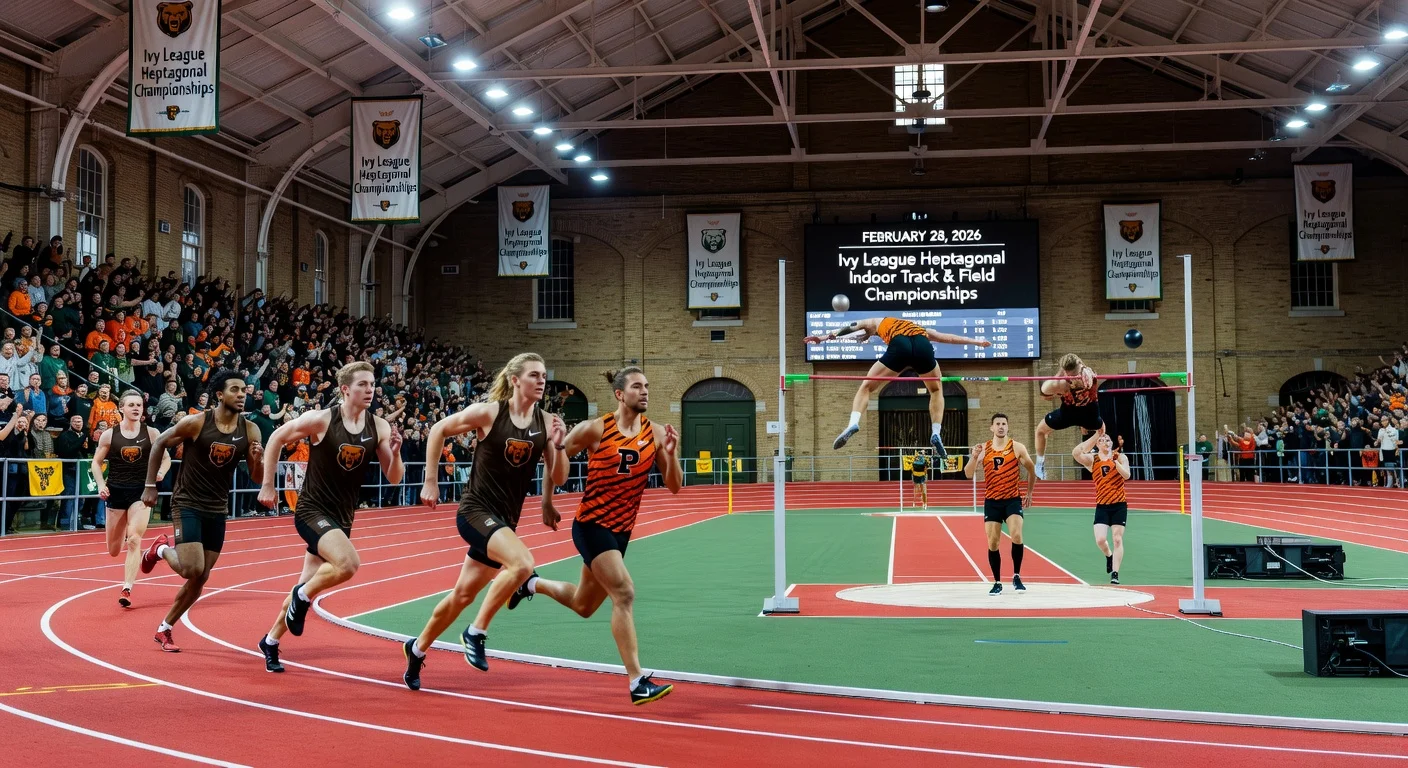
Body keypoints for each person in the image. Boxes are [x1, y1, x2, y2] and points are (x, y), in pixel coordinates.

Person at [506, 367, 682, 705]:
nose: (645, 391)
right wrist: (546, 501)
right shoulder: (594, 429)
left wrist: (671, 454)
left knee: (584, 605)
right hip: (591, 526)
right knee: (625, 593)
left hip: (621, 532)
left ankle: (530, 584)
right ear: (620, 394)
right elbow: (555, 456)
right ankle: (636, 681)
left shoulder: (658, 433)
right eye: (636, 386)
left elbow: (675, 486)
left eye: (647, 385)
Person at [402, 353, 565, 688]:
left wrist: (558, 453)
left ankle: (416, 649)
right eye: (534, 374)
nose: (542, 380)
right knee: (522, 564)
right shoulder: (490, 413)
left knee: (462, 595)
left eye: (544, 375)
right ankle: (475, 632)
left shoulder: (548, 423)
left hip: (504, 522)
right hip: (475, 512)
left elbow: (558, 475)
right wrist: (430, 480)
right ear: (516, 379)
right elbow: (438, 429)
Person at [255, 362, 403, 673]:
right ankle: (302, 597)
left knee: (306, 582)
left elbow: (393, 477)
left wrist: (397, 452)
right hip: (311, 510)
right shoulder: (321, 420)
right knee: (348, 564)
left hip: (342, 517)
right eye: (362, 384)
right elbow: (276, 439)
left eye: (372, 384)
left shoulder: (379, 427)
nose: (370, 389)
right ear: (345, 389)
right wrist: (268, 484)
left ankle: (270, 640)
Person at [138, 370, 263, 652]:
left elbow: (256, 477)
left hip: (217, 507)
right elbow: (159, 443)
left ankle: (165, 629)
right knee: (191, 568)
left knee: (201, 576)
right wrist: (150, 485)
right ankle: (160, 550)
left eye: (244, 390)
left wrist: (256, 460)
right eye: (235, 389)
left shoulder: (251, 430)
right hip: (188, 502)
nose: (242, 394)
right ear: (220, 395)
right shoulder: (196, 423)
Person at [803, 317, 989, 458]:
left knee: (866, 387)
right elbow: (947, 338)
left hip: (899, 345)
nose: (866, 337)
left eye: (866, 335)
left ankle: (853, 422)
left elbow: (852, 327)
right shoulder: (920, 329)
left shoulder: (876, 322)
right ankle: (935, 432)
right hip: (923, 346)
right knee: (936, 390)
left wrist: (825, 337)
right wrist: (977, 342)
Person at [92, 392, 169, 607]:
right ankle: (142, 548)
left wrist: (160, 473)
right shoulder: (109, 435)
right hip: (116, 491)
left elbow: (166, 458)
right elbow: (96, 463)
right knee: (114, 550)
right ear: (121, 408)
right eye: (132, 405)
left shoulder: (152, 433)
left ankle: (127, 588)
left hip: (141, 492)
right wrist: (101, 484)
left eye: (139, 405)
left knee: (134, 539)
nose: (136, 408)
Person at [965, 414, 1037, 595]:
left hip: (1012, 499)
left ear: (1008, 427)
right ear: (992, 428)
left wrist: (1029, 492)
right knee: (993, 542)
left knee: (1017, 535)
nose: (1001, 427)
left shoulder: (1017, 447)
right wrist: (974, 458)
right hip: (992, 501)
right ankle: (997, 581)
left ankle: (1016, 576)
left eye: (1004, 423)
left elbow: (1031, 469)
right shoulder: (984, 449)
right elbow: (967, 474)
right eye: (997, 424)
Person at [1072, 427, 1130, 584]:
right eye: (1102, 440)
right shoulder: (1092, 460)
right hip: (1102, 506)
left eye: (1108, 439)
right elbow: (1076, 453)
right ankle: (1109, 555)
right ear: (1096, 444)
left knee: (1117, 539)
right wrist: (1095, 436)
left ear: (1112, 443)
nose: (1106, 441)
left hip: (1119, 504)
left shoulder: (1120, 457)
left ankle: (1115, 574)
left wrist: (1116, 463)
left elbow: (1127, 475)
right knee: (1100, 539)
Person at [1033, 353, 1102, 479]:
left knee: (1040, 431)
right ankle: (1095, 455)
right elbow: (1086, 382)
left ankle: (1039, 464)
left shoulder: (1059, 383)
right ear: (1079, 363)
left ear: (1064, 369)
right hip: (1090, 414)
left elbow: (1043, 393)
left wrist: (1058, 379)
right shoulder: (1087, 372)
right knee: (1102, 429)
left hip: (1068, 414)